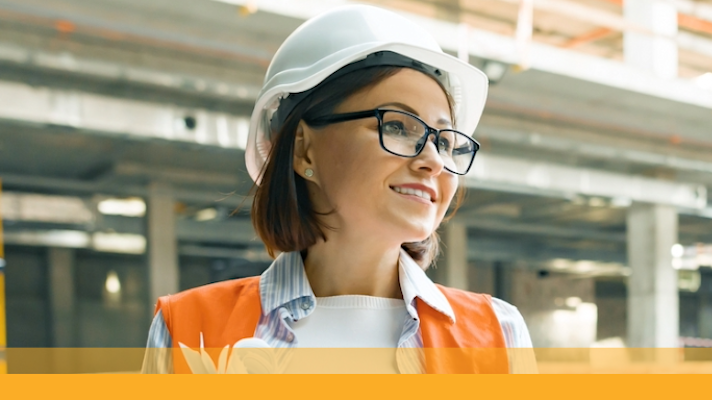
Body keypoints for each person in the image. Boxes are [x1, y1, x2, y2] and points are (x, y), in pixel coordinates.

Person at [141, 4, 535, 374]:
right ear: (304, 150)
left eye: (445, 141)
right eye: (398, 126)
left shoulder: (497, 335)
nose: (433, 159)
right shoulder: (189, 332)